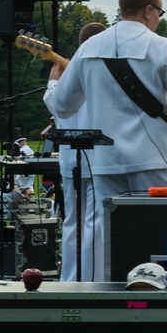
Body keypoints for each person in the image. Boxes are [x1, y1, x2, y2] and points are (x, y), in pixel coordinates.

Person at [44, 0, 167, 281]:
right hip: (154, 158)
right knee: (161, 231)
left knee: (102, 234)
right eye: (159, 12)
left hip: (104, 161)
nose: (159, 18)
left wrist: (61, 86)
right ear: (148, 10)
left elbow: (63, 104)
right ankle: (159, 293)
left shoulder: (88, 48)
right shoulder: (163, 47)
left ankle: (98, 297)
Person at [55, 22, 107, 282]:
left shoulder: (67, 74)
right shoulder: (103, 72)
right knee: (94, 224)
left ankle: (69, 278)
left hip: (70, 161)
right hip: (98, 161)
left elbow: (55, 106)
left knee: (72, 223)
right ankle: (92, 279)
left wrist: (52, 82)